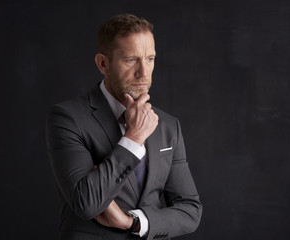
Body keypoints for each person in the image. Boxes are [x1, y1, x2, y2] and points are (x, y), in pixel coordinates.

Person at [46, 13, 202, 240]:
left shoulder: (168, 125)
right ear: (102, 63)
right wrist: (134, 138)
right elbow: (86, 204)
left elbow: (190, 210)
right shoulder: (67, 118)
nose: (144, 72)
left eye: (150, 59)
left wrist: (132, 222)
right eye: (131, 60)